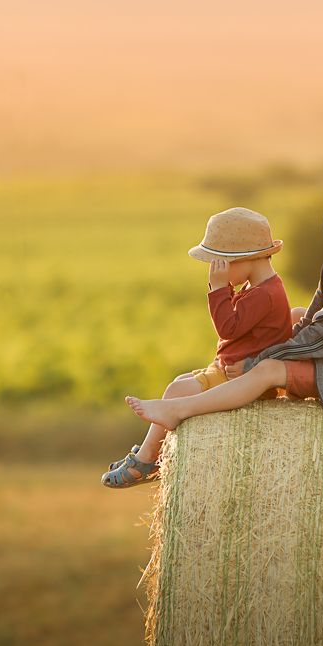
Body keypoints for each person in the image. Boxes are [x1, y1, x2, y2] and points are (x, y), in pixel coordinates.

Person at [124, 174, 323, 433]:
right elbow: (310, 323)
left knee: (268, 370)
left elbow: (319, 340)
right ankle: (231, 386)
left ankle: (180, 409)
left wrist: (255, 363)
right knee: (294, 318)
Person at [101, 207, 294, 489]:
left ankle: (144, 461)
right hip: (232, 369)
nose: (216, 271)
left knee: (176, 391)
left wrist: (218, 289)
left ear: (243, 260)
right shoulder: (261, 287)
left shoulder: (265, 294)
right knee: (180, 382)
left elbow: (227, 328)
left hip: (243, 379)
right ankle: (155, 453)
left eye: (219, 264)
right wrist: (225, 289)